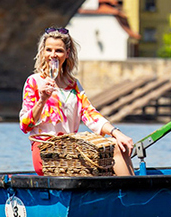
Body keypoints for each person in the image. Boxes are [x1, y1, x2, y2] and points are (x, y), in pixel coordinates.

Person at [20, 27, 134, 176]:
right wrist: (42, 100)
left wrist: (116, 133)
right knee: (114, 150)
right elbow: (25, 126)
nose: (53, 55)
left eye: (59, 51)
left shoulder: (73, 84)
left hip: (71, 147)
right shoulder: (34, 82)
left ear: (67, 53)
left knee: (119, 145)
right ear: (43, 52)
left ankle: (130, 192)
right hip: (46, 151)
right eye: (48, 50)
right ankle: (131, 194)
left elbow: (89, 114)